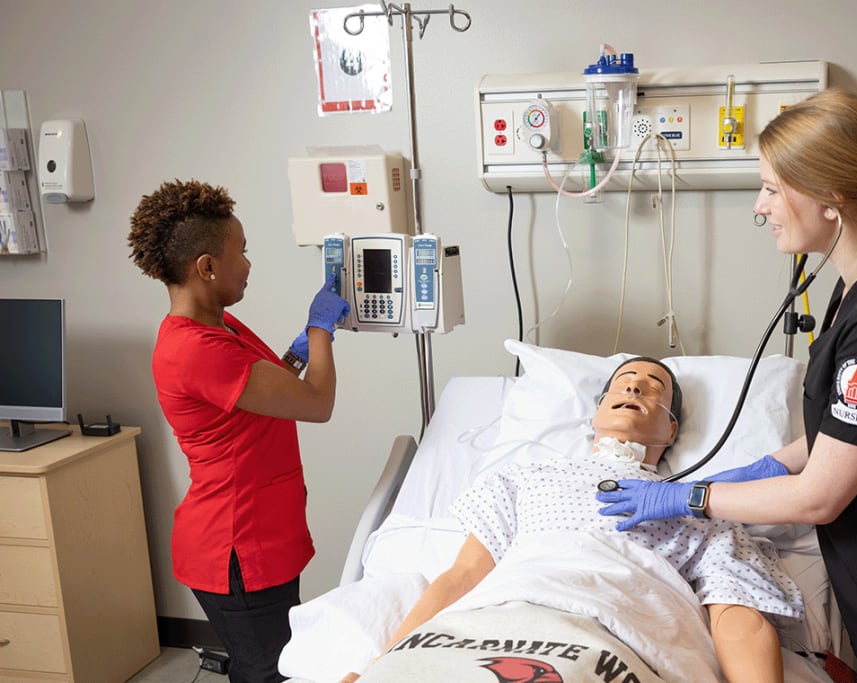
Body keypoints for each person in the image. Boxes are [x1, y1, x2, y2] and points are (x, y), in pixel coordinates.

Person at [596, 90, 857, 683]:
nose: (760, 206)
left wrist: (688, 499)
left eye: (771, 187)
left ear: (831, 197)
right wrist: (758, 468)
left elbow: (820, 496)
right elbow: (848, 432)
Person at [343, 357, 804, 683]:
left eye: (653, 387)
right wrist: (381, 665)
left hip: (609, 635)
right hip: (491, 624)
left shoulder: (703, 504)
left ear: (671, 430)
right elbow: (462, 577)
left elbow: (736, 618)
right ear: (596, 414)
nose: (634, 388)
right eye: (623, 382)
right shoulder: (525, 479)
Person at [128, 179, 350, 682]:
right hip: (236, 548)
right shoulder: (198, 348)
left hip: (258, 535)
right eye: (241, 252)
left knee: (268, 665)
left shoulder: (219, 327)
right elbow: (318, 404)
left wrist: (301, 349)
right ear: (206, 267)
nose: (248, 264)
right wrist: (320, 331)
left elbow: (259, 393)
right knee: (270, 673)